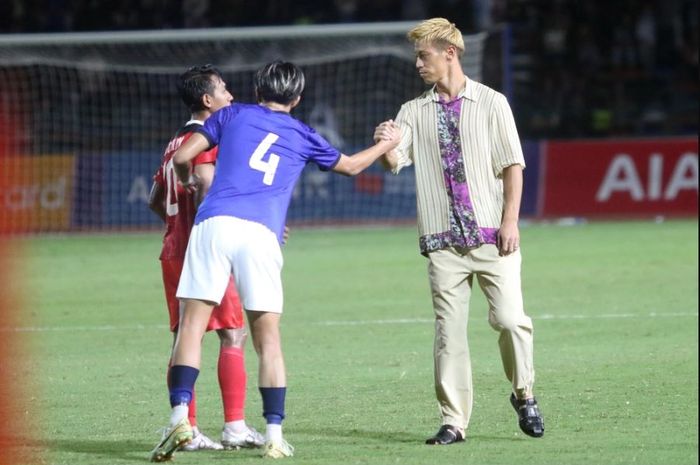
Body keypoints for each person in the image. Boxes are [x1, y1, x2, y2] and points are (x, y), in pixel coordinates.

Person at [149, 61, 400, 461]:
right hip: (261, 234)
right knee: (268, 342)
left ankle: (181, 417)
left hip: (213, 225)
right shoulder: (302, 133)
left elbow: (185, 156)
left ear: (256, 89)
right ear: (297, 99)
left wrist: (189, 179)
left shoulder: (231, 114)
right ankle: (274, 436)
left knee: (191, 330)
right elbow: (352, 166)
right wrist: (388, 144)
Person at [374, 18, 545, 445]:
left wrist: (510, 221)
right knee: (449, 334)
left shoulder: (492, 103)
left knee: (509, 320)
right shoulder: (412, 111)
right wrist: (385, 145)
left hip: (492, 236)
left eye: (424, 55)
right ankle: (454, 421)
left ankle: (524, 394)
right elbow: (395, 162)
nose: (418, 64)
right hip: (442, 243)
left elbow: (512, 167)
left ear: (449, 53)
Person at [148, 64, 263, 460]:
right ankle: (234, 426)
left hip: (172, 249)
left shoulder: (173, 142)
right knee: (233, 334)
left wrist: (177, 227)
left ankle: (188, 426)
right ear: (207, 100)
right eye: (224, 89)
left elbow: (154, 199)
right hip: (205, 249)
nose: (231, 95)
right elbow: (207, 184)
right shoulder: (204, 139)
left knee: (186, 337)